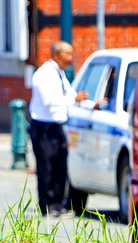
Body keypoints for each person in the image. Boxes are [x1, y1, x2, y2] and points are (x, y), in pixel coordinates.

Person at [28, 42, 87, 216]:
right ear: (55, 54)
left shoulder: (59, 73)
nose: (71, 58)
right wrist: (74, 99)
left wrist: (90, 103)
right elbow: (49, 100)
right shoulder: (43, 74)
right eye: (67, 54)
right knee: (47, 167)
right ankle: (47, 205)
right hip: (43, 127)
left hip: (58, 126)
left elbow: (69, 94)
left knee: (60, 165)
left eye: (71, 54)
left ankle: (58, 203)